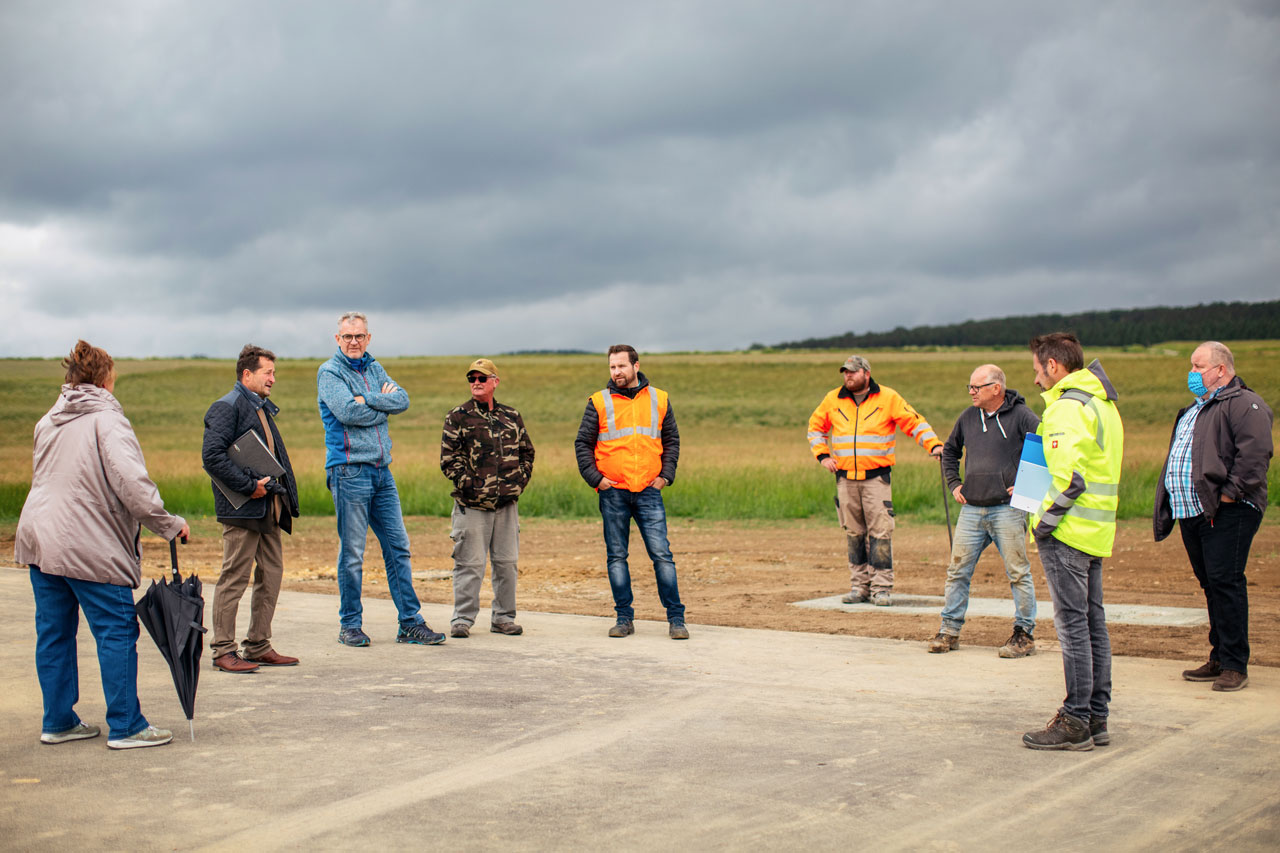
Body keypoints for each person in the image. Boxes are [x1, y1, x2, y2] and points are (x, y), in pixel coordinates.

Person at [15, 341, 188, 749]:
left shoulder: (48, 420)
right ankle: (127, 725)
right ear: (106, 380)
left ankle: (58, 721)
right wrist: (168, 523)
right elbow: (133, 486)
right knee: (116, 629)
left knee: (54, 633)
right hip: (88, 542)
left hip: (41, 539)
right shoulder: (108, 420)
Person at [317, 311, 445, 648]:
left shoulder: (375, 368)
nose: (354, 342)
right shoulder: (330, 372)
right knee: (354, 553)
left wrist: (370, 399)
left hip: (381, 471)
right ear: (338, 339)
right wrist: (380, 404)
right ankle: (350, 625)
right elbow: (347, 412)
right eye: (348, 337)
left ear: (368, 338)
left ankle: (410, 623)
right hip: (349, 470)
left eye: (359, 336)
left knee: (398, 547)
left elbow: (402, 400)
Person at [1022, 333, 1123, 751]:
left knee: (1073, 626)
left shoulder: (1067, 407)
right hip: (1095, 531)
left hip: (1067, 533)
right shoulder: (1102, 404)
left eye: (1037, 369)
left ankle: (1076, 719)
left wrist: (1044, 524)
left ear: (1054, 366)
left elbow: (1071, 479)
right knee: (1092, 623)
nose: (1035, 379)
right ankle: (1096, 716)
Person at [1154, 341, 1272, 693]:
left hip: (1226, 510)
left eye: (1198, 366)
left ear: (1221, 369)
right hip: (1193, 512)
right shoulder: (1195, 408)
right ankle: (1220, 656)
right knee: (1212, 585)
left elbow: (1255, 455)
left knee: (1226, 582)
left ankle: (1236, 664)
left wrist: (1228, 495)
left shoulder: (1244, 404)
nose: (1192, 373)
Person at [807, 355, 943, 606]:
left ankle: (881, 588)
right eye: (845, 373)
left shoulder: (888, 398)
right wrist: (823, 456)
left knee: (880, 533)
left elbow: (915, 423)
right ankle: (859, 587)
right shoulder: (832, 399)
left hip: (876, 479)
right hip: (845, 479)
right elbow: (815, 428)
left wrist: (933, 445)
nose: (848, 376)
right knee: (854, 533)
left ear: (866, 374)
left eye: (853, 372)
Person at [575, 345, 688, 639]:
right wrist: (596, 480)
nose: (616, 373)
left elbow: (671, 439)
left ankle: (676, 619)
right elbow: (582, 444)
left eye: (621, 366)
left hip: (650, 490)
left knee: (662, 555)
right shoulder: (598, 401)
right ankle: (624, 618)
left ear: (636, 366)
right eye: (612, 367)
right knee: (616, 556)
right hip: (613, 492)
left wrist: (666, 476)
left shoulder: (659, 399)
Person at [201, 345, 301, 673]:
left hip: (268, 507)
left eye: (274, 373)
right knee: (235, 577)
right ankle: (223, 650)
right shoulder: (226, 406)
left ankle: (258, 645)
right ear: (247, 375)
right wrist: (249, 486)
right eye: (267, 373)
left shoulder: (259, 406)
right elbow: (213, 457)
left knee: (271, 575)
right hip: (243, 507)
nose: (273, 379)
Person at [931, 364, 1041, 656]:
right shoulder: (968, 417)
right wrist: (954, 483)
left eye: (976, 387)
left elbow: (1043, 448)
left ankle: (1024, 635)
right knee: (957, 572)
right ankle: (949, 631)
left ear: (996, 388)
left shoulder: (1022, 416)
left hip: (1008, 510)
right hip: (972, 510)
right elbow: (950, 450)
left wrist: (1026, 486)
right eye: (969, 387)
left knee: (1018, 572)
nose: (971, 392)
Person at [440, 358, 535, 638]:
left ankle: (504, 618)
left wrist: (518, 483)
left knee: (506, 564)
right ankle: (462, 620)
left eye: (482, 378)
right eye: (472, 379)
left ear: (495, 381)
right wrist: (469, 485)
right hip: (472, 506)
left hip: (506, 505)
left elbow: (526, 452)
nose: (477, 383)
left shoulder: (511, 416)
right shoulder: (458, 416)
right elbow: (449, 459)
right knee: (469, 565)